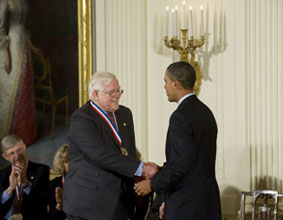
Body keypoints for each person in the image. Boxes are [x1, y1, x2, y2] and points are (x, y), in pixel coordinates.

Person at [63, 72, 158, 220]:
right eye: (111, 92)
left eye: (118, 90)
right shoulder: (82, 118)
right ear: (95, 94)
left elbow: (129, 151)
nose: (117, 95)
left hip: (120, 199)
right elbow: (100, 155)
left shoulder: (125, 114)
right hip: (89, 202)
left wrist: (139, 174)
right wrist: (140, 167)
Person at [134, 61, 222, 220]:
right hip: (207, 202)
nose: (164, 87)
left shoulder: (180, 117)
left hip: (186, 204)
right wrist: (160, 170)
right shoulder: (205, 112)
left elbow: (180, 165)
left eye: (165, 81)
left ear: (175, 83)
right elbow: (194, 159)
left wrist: (152, 185)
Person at [0, 0, 42, 146]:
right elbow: (1, 28)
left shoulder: (24, 2)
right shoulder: (4, 1)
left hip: (23, 45)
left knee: (25, 88)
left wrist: (32, 47)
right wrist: (6, 55)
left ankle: (24, 134)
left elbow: (25, 28)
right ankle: (6, 135)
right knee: (9, 90)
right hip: (11, 47)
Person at [0, 134, 50, 220]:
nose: (17, 156)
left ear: (25, 148)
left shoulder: (41, 170)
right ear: (5, 157)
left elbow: (43, 201)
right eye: (12, 153)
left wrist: (26, 183)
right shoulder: (0, 175)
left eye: (19, 150)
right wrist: (9, 189)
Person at [49, 144, 69, 220]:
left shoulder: (85, 181)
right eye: (67, 161)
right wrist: (59, 205)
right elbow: (52, 217)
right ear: (61, 163)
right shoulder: (53, 184)